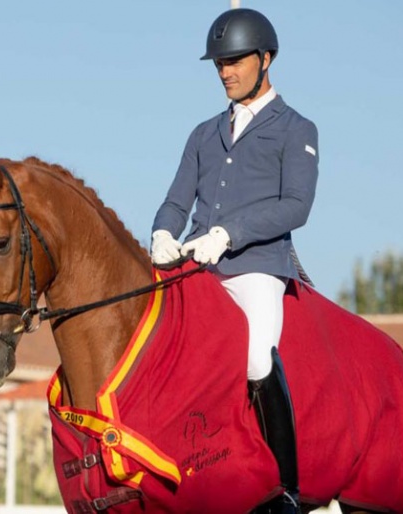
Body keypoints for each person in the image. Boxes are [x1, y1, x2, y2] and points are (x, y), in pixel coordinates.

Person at [150, 8, 318, 514]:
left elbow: (297, 205)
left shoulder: (296, 128)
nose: (225, 71)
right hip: (198, 267)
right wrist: (162, 230)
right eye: (219, 62)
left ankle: (285, 488)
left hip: (258, 267)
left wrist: (228, 233)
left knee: (256, 357)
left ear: (265, 59)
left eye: (235, 61)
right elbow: (178, 201)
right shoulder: (203, 134)